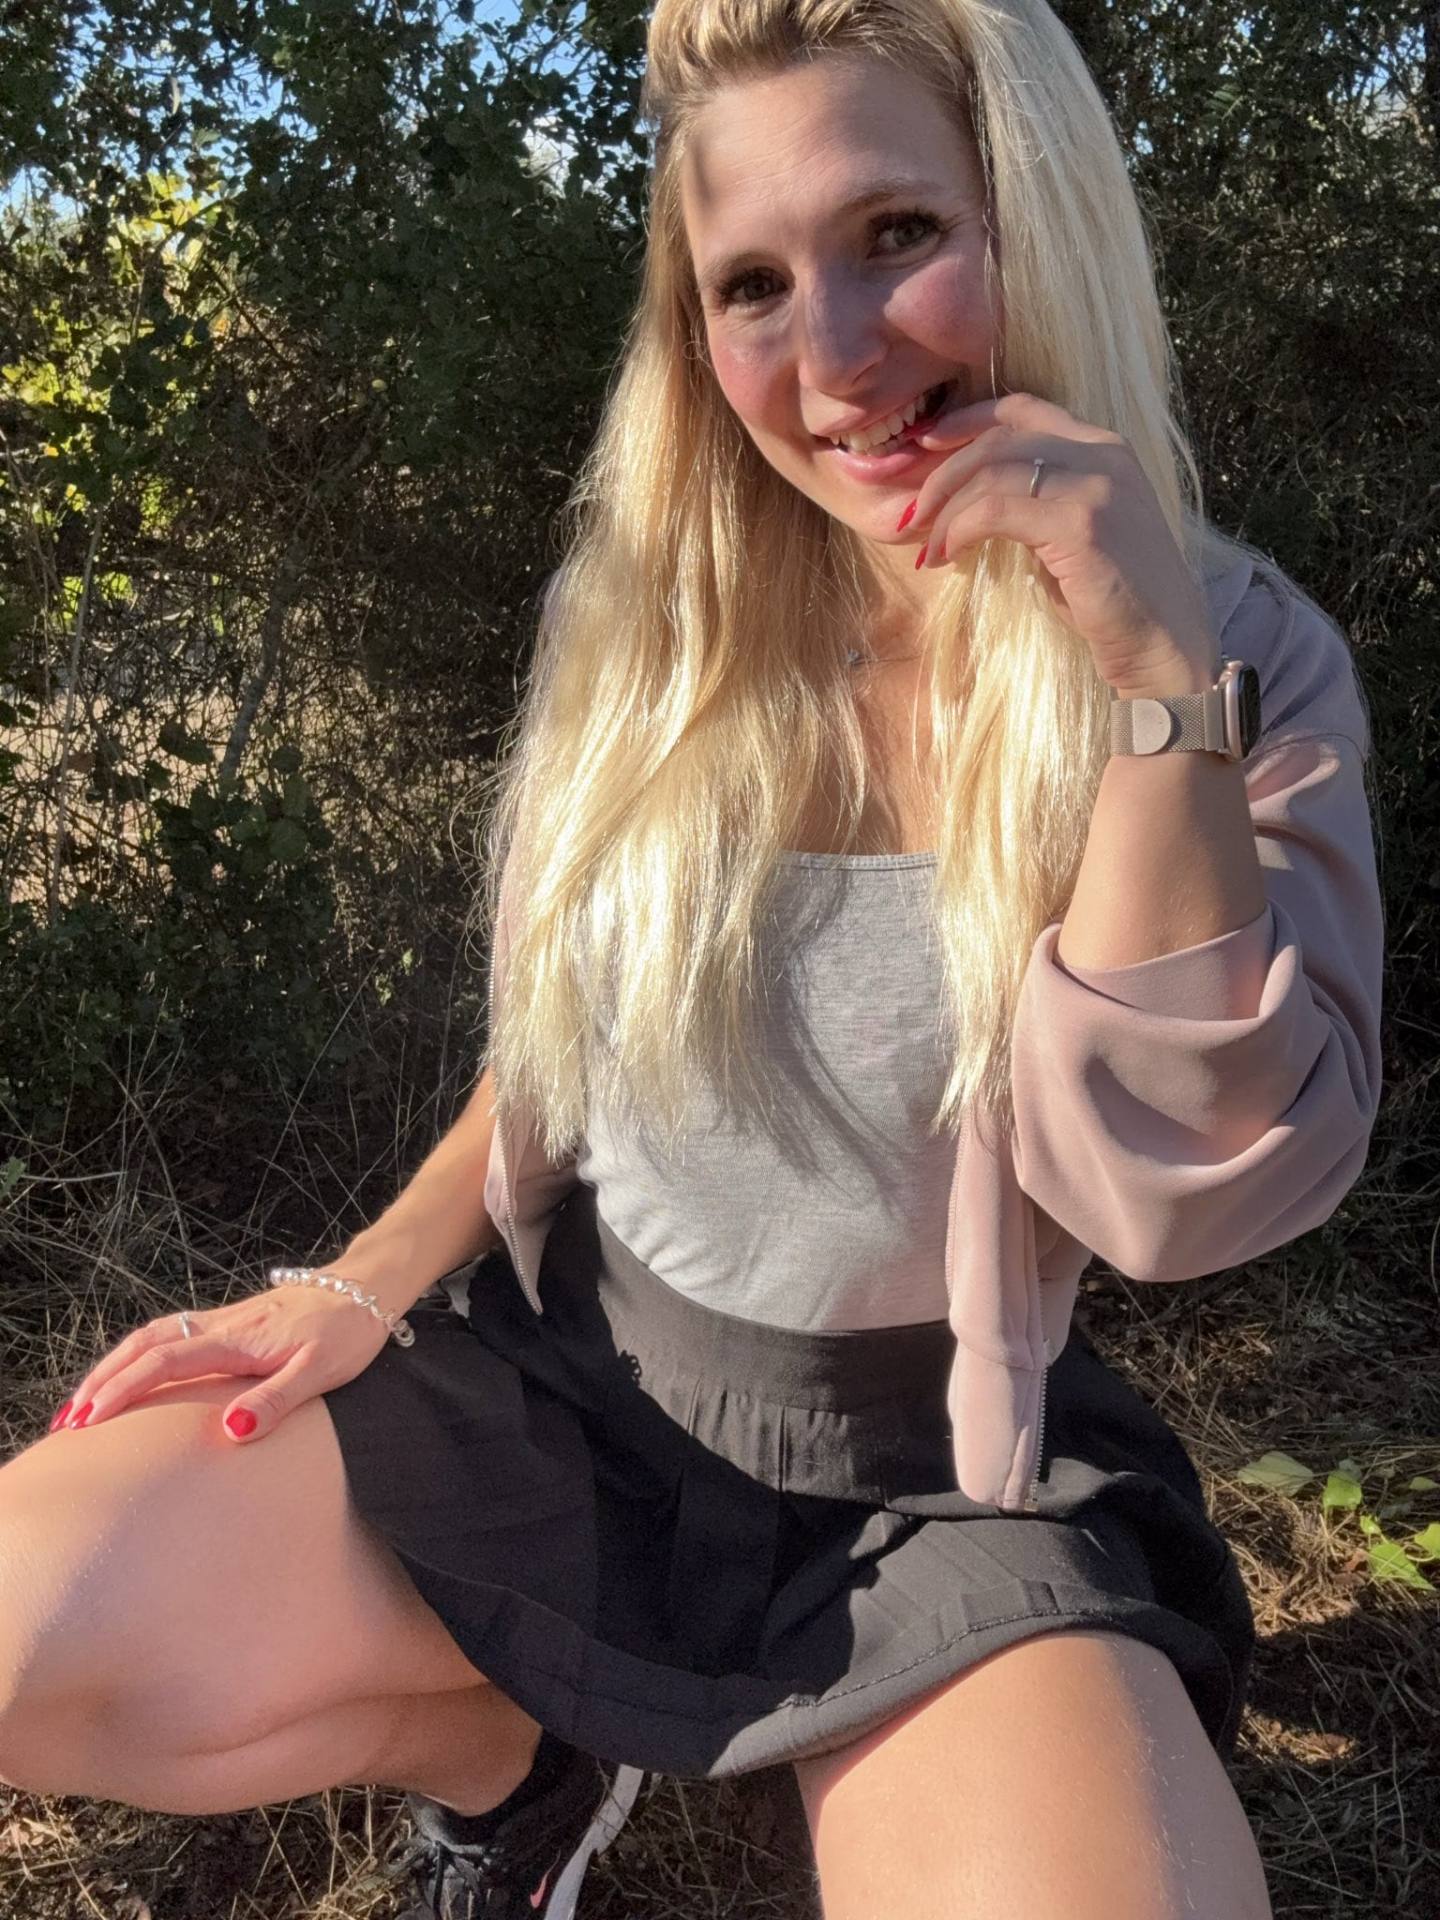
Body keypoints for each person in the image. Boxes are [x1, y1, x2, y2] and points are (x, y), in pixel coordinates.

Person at [0, 0, 1383, 1916]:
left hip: (940, 1481)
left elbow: (1193, 1197)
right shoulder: (654, 615)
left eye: (899, 234)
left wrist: (1154, 687)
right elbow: (565, 1036)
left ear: (1040, 224)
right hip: (573, 1391)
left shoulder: (1242, 658)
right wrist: (363, 1276)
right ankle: (512, 1766)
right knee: (24, 1638)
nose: (833, 358)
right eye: (752, 284)